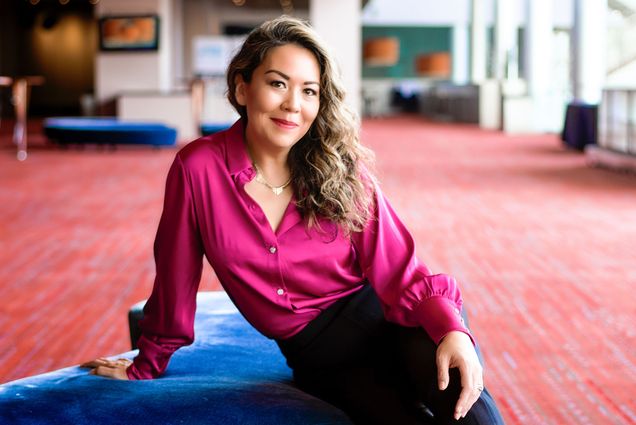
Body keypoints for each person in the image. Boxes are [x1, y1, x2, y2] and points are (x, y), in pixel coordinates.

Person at [82, 16, 505, 425]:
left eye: (309, 91)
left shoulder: (342, 169)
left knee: (466, 409)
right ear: (242, 87)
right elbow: (176, 270)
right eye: (277, 84)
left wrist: (452, 330)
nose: (293, 105)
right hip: (321, 359)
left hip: (392, 322)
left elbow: (401, 270)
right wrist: (148, 361)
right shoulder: (198, 169)